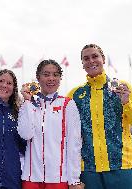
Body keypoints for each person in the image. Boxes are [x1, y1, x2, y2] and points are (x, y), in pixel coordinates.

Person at [68, 44, 132, 189]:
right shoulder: (75, 95)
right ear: (82, 64)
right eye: (86, 58)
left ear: (103, 59)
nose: (91, 61)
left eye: (95, 56)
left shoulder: (122, 87)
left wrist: (126, 103)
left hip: (122, 166)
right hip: (88, 170)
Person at [17, 59, 83, 189]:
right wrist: (27, 101)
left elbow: (74, 144)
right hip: (31, 178)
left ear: (60, 78)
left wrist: (74, 180)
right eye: (46, 74)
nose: (51, 78)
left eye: (55, 75)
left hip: (58, 179)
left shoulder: (67, 104)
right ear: (38, 78)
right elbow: (25, 134)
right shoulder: (29, 104)